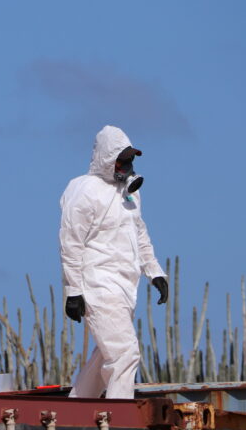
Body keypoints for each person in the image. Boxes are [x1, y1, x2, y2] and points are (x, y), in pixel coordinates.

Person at [59, 125, 168, 399]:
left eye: (130, 160)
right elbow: (70, 243)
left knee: (105, 355)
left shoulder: (129, 192)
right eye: (121, 160)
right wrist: (73, 291)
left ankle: (76, 408)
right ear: (106, 159)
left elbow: (139, 231)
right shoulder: (83, 190)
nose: (127, 166)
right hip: (97, 285)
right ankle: (120, 421)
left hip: (124, 287)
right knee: (124, 353)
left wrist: (154, 271)